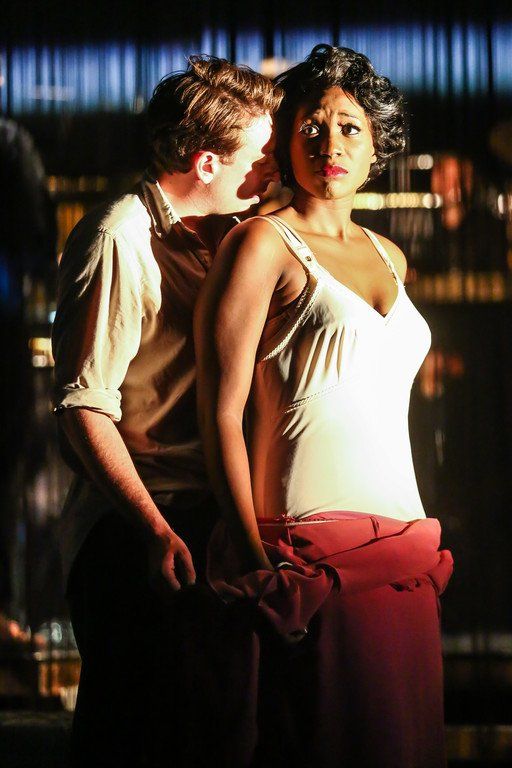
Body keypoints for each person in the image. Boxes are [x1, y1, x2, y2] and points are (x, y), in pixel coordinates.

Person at [195, 45, 453, 767]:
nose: (329, 144)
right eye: (310, 126)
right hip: (308, 560)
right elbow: (221, 413)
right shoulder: (260, 244)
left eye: (349, 127)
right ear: (284, 140)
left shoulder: (390, 256)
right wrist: (257, 567)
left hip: (405, 552)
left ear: (376, 145)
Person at [51, 55, 281, 767]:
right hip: (145, 529)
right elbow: (84, 406)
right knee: (142, 736)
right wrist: (151, 528)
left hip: (202, 519)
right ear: (207, 163)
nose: (274, 167)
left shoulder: (230, 232)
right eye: (261, 154)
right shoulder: (119, 238)